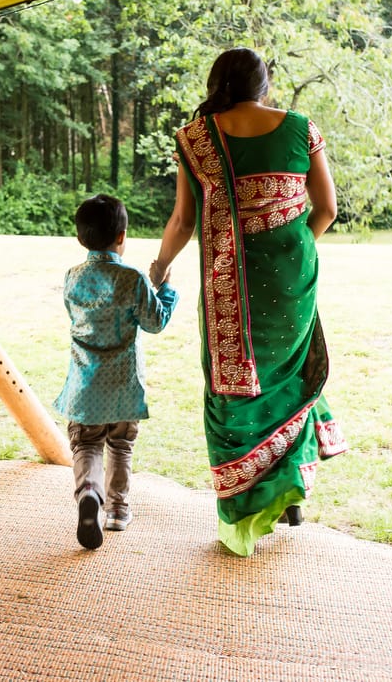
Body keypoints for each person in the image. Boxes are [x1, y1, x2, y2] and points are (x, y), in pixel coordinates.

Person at [149, 47, 348, 557]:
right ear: (265, 85)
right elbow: (325, 209)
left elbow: (183, 221)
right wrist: (292, 249)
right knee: (287, 375)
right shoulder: (302, 127)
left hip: (229, 285)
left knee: (236, 387)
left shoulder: (195, 138)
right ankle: (289, 495)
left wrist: (161, 264)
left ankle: (247, 508)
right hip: (293, 276)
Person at [55, 194, 179, 550]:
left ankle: (89, 495)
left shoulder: (72, 278)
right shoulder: (132, 278)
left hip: (84, 385)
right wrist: (165, 287)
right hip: (123, 385)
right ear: (122, 236)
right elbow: (156, 322)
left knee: (86, 444)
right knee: (121, 445)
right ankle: (117, 510)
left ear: (81, 238)